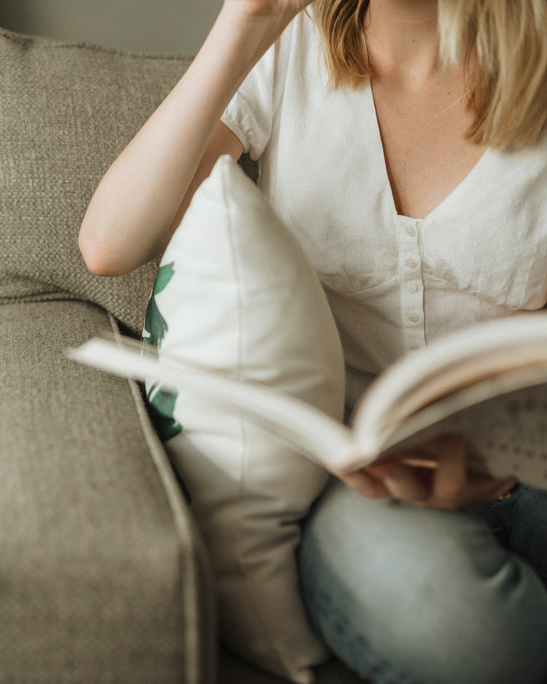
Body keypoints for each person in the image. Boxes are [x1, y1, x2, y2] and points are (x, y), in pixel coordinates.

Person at [78, 1, 547, 682]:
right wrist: (244, 22)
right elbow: (109, 243)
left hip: (531, 452)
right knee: (455, 633)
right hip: (374, 489)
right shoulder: (287, 51)